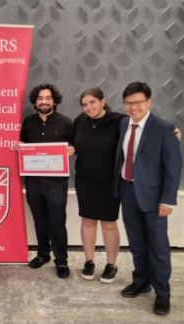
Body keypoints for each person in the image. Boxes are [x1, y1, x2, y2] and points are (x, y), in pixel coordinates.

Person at [114, 82, 182, 316]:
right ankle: (141, 281)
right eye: (129, 103)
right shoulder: (124, 123)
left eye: (138, 102)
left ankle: (162, 292)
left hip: (154, 198)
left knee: (158, 246)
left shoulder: (164, 128)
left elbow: (173, 167)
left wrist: (168, 199)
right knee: (136, 243)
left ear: (148, 102)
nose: (133, 107)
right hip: (128, 191)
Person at [15, 84, 73, 278]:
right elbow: (23, 143)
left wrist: (73, 149)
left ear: (54, 101)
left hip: (56, 182)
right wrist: (20, 146)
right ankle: (42, 254)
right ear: (35, 102)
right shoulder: (28, 122)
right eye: (40, 98)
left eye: (48, 98)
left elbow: (75, 145)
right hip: (33, 182)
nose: (44, 102)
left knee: (57, 222)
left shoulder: (65, 123)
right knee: (39, 220)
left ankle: (61, 260)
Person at [70, 88, 126, 283]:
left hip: (109, 182)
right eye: (84, 104)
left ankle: (111, 264)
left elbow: (144, 127)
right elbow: (73, 144)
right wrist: (71, 148)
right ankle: (89, 261)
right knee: (87, 221)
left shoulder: (118, 121)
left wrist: (172, 130)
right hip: (84, 180)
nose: (88, 108)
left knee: (109, 224)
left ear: (103, 101)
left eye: (92, 102)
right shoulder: (80, 121)